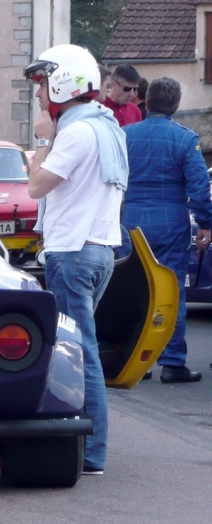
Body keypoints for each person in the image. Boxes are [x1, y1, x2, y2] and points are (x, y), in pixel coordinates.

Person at [24, 44, 128, 476]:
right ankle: (89, 447)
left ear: (64, 83)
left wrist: (45, 139)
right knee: (83, 349)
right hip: (101, 249)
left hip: (72, 252)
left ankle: (91, 452)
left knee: (78, 354)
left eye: (44, 84)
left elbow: (36, 187)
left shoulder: (75, 132)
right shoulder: (108, 128)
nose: (39, 94)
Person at [122, 77, 212, 384]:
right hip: (171, 218)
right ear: (175, 104)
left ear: (146, 101)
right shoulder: (185, 139)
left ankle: (136, 360)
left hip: (130, 218)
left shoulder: (124, 136)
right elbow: (200, 188)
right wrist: (205, 223)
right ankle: (173, 362)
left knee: (134, 290)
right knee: (172, 289)